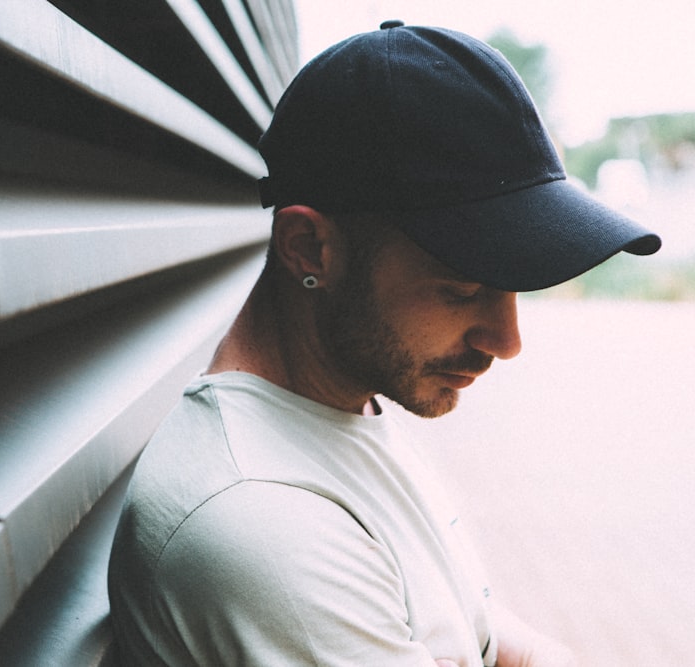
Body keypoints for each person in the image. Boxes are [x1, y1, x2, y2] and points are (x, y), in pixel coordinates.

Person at [107, 21, 661, 667]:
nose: (506, 341)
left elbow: (482, 633)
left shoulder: (346, 406)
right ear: (309, 248)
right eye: (461, 287)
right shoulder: (265, 519)